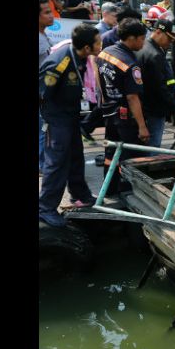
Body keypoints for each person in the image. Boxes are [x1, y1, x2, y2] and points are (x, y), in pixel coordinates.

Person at [39, 24, 102, 227]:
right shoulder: (60, 62)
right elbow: (42, 94)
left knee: (76, 156)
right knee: (57, 162)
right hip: (57, 119)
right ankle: (45, 208)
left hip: (71, 115)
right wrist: (50, 122)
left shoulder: (81, 57)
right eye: (97, 42)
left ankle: (80, 195)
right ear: (86, 47)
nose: (101, 45)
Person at [96, 18, 148, 194]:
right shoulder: (130, 63)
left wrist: (104, 100)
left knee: (111, 152)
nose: (143, 42)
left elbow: (98, 77)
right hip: (126, 116)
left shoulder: (105, 52)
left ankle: (109, 188)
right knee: (130, 154)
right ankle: (126, 190)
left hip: (109, 111)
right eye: (142, 38)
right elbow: (133, 97)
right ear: (132, 38)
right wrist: (142, 127)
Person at [136, 19, 175, 151]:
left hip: (144, 106)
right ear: (158, 32)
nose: (170, 43)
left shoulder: (146, 47)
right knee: (152, 149)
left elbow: (167, 77)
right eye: (169, 39)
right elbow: (160, 88)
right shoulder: (154, 54)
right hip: (154, 108)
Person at [39, 0, 55, 175]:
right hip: (42, 95)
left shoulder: (44, 36)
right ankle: (42, 165)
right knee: (43, 130)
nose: (51, 16)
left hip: (45, 93)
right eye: (46, 12)